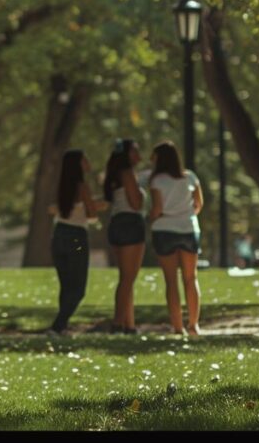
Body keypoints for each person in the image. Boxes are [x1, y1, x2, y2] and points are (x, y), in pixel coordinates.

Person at [148, 141, 203, 336]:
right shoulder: (190, 177)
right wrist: (186, 215)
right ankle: (194, 324)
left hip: (164, 229)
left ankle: (178, 327)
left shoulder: (157, 180)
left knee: (171, 281)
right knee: (191, 278)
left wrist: (149, 219)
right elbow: (198, 204)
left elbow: (156, 209)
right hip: (188, 228)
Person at [49, 149, 106, 334]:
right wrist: (97, 205)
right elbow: (91, 214)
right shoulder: (82, 186)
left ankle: (62, 326)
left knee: (66, 286)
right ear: (79, 164)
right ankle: (58, 325)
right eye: (85, 159)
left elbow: (63, 208)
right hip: (76, 236)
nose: (88, 162)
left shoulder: (62, 185)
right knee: (78, 289)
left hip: (59, 234)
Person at [103, 138, 146, 334]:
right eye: (135, 151)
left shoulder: (113, 176)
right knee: (128, 279)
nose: (139, 155)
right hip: (130, 223)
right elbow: (136, 203)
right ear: (127, 155)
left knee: (125, 278)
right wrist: (142, 195)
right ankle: (118, 323)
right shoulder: (127, 173)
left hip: (116, 224)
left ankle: (130, 325)